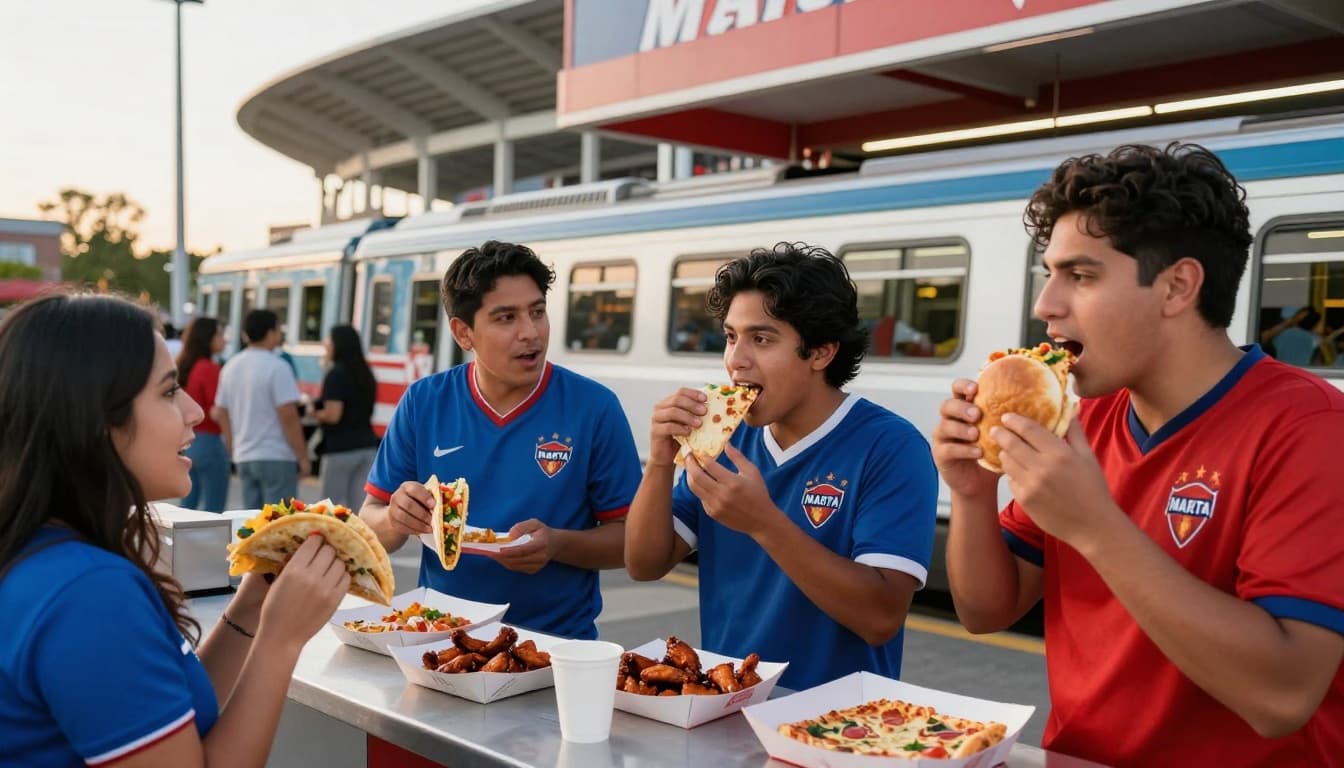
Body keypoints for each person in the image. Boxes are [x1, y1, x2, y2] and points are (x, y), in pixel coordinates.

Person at [933, 144, 1344, 766]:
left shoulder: (1308, 427)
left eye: (1082, 275)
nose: (1046, 305)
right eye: (1050, 274)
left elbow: (1282, 696)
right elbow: (988, 609)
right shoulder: (1085, 419)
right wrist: (970, 490)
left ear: (1178, 286)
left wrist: (1094, 526)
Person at [0, 293, 349, 767]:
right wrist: (281, 639)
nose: (195, 411)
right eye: (167, 392)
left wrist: (251, 608)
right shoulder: (89, 592)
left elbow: (169, 717)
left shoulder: (47, 555)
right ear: (96, 422)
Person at [624, 243, 938, 690]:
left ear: (821, 353)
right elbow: (644, 563)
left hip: (839, 721)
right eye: (731, 336)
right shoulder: (726, 436)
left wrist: (763, 523)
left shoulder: (891, 447)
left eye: (762, 339)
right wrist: (659, 459)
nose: (736, 360)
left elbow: (881, 616)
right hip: (727, 700)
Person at [359, 241, 641, 639]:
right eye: (506, 317)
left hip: (555, 648)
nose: (530, 332)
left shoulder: (594, 407)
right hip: (442, 639)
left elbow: (633, 541)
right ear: (463, 332)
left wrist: (556, 544)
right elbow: (368, 524)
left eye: (537, 312)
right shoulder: (425, 402)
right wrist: (394, 517)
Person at [214, 309, 311, 509]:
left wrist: (232, 446)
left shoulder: (230, 366)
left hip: (244, 456)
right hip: (276, 455)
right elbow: (288, 415)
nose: (280, 334)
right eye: (278, 329)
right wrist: (302, 456)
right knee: (279, 524)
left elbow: (221, 411)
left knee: (253, 522)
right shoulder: (278, 367)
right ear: (270, 333)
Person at [311, 325, 380, 508]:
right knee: (359, 509)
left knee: (328, 509)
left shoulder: (336, 374)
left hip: (340, 450)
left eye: (329, 342)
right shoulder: (366, 373)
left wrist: (314, 413)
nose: (327, 346)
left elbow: (333, 415)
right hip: (367, 448)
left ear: (338, 345)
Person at [177, 317, 230, 513]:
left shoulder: (184, 366)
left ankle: (179, 544)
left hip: (189, 440)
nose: (224, 340)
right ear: (207, 338)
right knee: (214, 509)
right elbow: (217, 410)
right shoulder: (209, 368)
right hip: (210, 440)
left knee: (187, 505)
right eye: (219, 335)